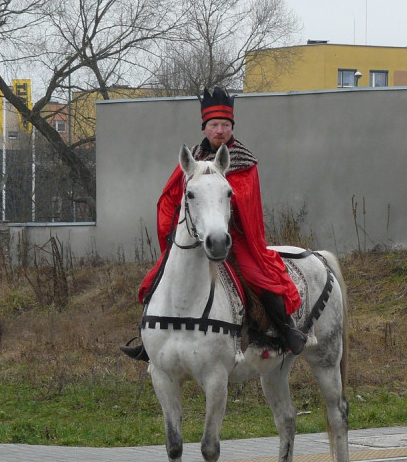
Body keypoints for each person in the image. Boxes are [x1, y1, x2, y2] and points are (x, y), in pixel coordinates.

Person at [121, 87, 305, 360]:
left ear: (232, 127)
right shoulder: (191, 159)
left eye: (226, 125)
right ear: (204, 128)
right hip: (195, 235)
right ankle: (151, 339)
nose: (220, 130)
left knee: (258, 275)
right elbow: (171, 197)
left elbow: (247, 203)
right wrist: (174, 231)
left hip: (235, 235)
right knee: (154, 279)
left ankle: (285, 330)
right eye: (214, 125)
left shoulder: (244, 160)